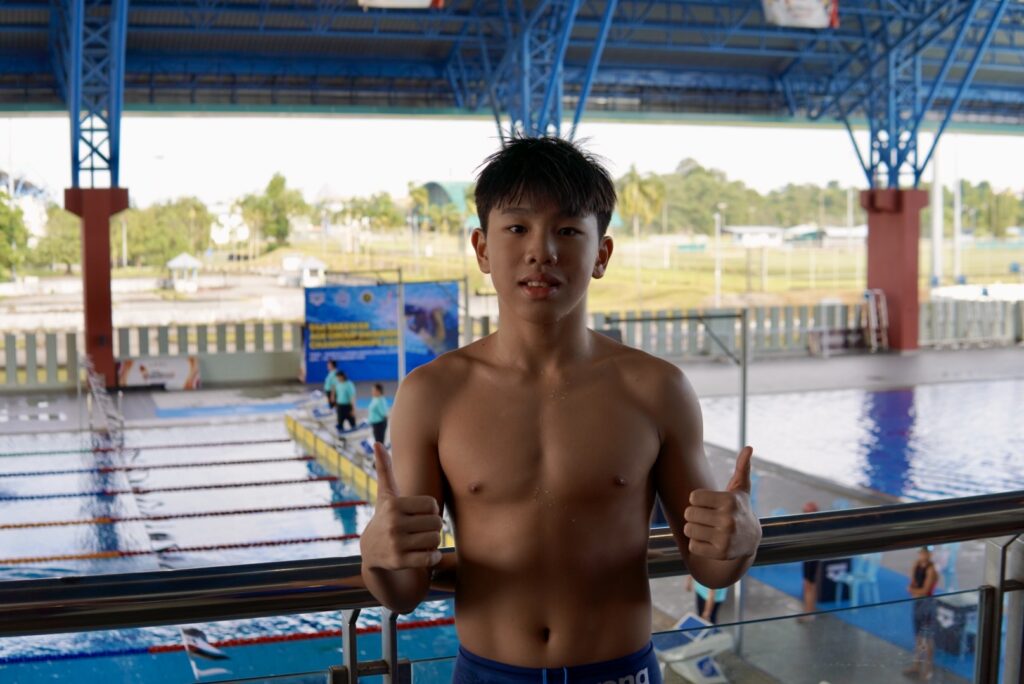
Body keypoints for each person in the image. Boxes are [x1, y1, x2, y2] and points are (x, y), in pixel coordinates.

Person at [359, 136, 762, 684]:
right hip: (488, 674)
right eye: (517, 228)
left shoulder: (656, 389)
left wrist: (742, 541)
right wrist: (377, 554)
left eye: (568, 230)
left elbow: (711, 567)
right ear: (482, 248)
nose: (541, 251)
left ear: (601, 254)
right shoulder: (433, 394)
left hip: (620, 671)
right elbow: (404, 592)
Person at [904, 546, 939, 680]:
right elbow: (913, 583)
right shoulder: (917, 564)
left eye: (925, 553)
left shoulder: (931, 570)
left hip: (927, 605)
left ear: (929, 554)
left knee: (928, 639)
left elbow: (924, 591)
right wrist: (914, 590)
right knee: (918, 636)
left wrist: (913, 590)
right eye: (921, 553)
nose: (923, 555)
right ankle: (917, 666)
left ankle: (928, 670)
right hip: (917, 603)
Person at [798, 501, 820, 623]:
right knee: (809, 584)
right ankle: (809, 611)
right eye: (804, 512)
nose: (804, 514)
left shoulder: (814, 527)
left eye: (806, 512)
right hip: (809, 556)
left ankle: (809, 612)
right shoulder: (809, 525)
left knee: (809, 584)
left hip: (812, 557)